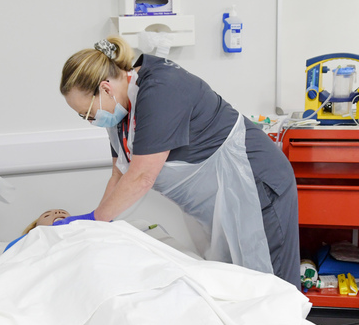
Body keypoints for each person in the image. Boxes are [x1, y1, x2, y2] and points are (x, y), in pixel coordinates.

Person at [57, 37, 301, 287]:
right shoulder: (120, 113)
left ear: (106, 89)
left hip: (253, 184)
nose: (89, 121)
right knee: (237, 285)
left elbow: (142, 177)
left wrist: (94, 220)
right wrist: (98, 226)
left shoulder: (160, 88)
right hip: (220, 201)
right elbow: (119, 176)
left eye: (86, 113)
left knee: (271, 287)